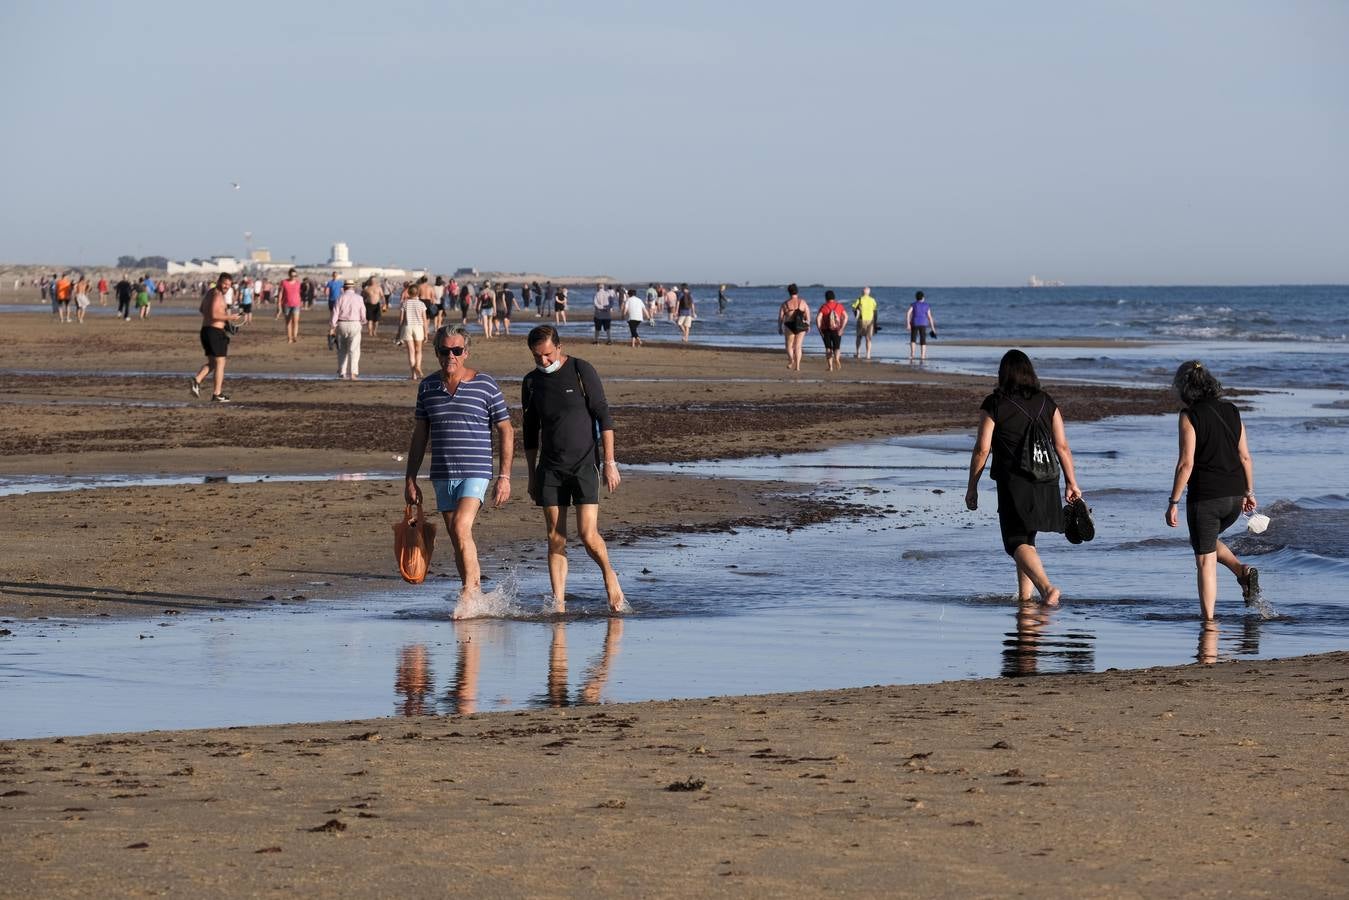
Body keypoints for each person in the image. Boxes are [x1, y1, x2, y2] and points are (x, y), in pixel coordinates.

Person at [404, 325, 514, 616]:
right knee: (457, 539)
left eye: (456, 350)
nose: (450, 356)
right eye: (444, 350)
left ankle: (467, 594)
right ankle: (476, 597)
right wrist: (410, 478)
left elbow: (506, 429)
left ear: (466, 352)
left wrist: (504, 476)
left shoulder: (486, 385)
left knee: (460, 527)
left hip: (476, 471)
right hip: (442, 473)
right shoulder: (427, 387)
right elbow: (419, 435)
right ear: (437, 352)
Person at [964, 350, 1083, 606]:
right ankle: (1025, 599)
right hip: (1046, 479)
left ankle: (1047, 588)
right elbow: (1062, 446)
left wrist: (972, 486)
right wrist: (1072, 482)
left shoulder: (994, 403)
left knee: (1014, 541)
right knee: (1027, 539)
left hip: (1014, 481)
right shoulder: (1046, 401)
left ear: (1003, 374)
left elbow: (982, 448)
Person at [520, 325, 625, 613]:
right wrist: (532, 475)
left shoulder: (581, 370)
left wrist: (610, 463)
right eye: (536, 356)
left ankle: (609, 574)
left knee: (587, 534)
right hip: (550, 468)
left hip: (584, 464)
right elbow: (530, 433)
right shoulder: (531, 382)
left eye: (547, 354)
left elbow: (603, 415)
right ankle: (558, 602)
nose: (543, 361)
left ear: (559, 346)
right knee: (555, 536)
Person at [1165, 360, 1261, 621]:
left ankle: (1208, 622)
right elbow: (1245, 458)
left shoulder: (1189, 415)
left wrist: (1173, 501)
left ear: (1184, 388)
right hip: (1234, 498)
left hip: (1206, 498)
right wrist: (1249, 493)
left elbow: (1186, 463)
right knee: (1202, 543)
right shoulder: (1232, 410)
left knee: (1204, 559)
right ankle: (1242, 571)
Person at [189, 273, 240, 403]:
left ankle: (196, 381)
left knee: (212, 363)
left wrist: (225, 323)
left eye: (229, 285)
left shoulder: (210, 293)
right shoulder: (217, 295)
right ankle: (217, 394)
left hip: (206, 331)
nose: (226, 287)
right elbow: (213, 314)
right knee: (220, 363)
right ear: (219, 281)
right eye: (224, 284)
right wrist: (230, 318)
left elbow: (202, 309)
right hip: (214, 332)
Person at [329, 279, 367, 379]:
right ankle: (353, 373)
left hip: (341, 324)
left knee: (342, 350)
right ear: (353, 287)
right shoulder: (359, 298)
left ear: (344, 288)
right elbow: (363, 312)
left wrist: (332, 326)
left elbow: (335, 313)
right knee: (354, 350)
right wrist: (363, 321)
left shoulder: (340, 298)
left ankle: (342, 372)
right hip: (355, 323)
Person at [398, 285, 429, 380]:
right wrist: (426, 333)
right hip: (418, 328)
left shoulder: (405, 303)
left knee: (411, 352)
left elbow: (401, 319)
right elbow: (424, 319)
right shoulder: (421, 304)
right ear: (418, 293)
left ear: (408, 293)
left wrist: (399, 332)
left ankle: (413, 375)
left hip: (407, 327)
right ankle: (418, 366)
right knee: (418, 350)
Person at [778, 283, 810, 372]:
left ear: (789, 292)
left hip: (789, 325)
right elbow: (808, 314)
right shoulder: (802, 302)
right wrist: (808, 324)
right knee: (798, 346)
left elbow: (780, 317)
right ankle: (798, 367)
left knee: (789, 345)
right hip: (801, 325)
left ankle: (791, 360)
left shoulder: (785, 304)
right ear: (797, 291)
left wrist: (780, 327)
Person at [816, 289, 849, 372]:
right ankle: (837, 359)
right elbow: (846, 317)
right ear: (834, 297)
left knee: (828, 348)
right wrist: (842, 328)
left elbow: (818, 318)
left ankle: (830, 367)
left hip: (826, 330)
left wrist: (819, 329)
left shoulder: (824, 307)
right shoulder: (839, 306)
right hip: (837, 329)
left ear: (826, 298)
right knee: (837, 348)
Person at [907, 290, 937, 361]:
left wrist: (908, 323)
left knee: (913, 339)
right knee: (923, 340)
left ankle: (912, 355)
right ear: (923, 297)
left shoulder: (913, 304)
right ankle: (923, 356)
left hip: (914, 323)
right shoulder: (926, 305)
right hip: (923, 323)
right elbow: (930, 317)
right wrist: (933, 328)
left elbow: (908, 313)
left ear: (916, 298)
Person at [852, 286, 878, 360]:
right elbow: (875, 311)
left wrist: (856, 314)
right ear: (869, 293)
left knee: (859, 337)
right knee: (868, 338)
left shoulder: (860, 299)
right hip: (870, 320)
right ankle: (868, 354)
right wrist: (875, 322)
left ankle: (858, 353)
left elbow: (853, 307)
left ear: (862, 292)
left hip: (861, 320)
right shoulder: (873, 300)